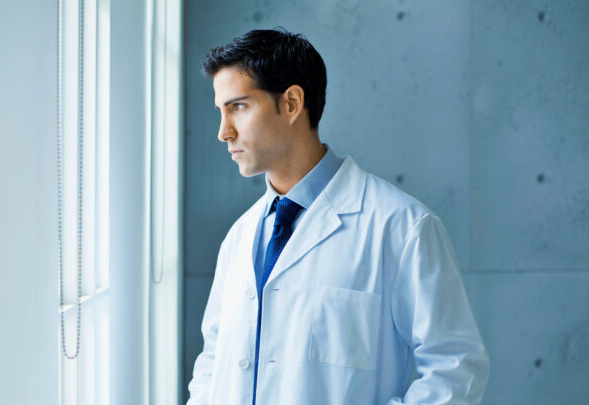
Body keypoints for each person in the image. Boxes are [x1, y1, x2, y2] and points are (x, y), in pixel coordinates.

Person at [186, 28, 489, 405]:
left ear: (293, 103)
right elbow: (213, 364)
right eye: (221, 111)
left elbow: (455, 368)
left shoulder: (401, 228)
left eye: (239, 107)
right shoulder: (240, 236)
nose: (223, 132)